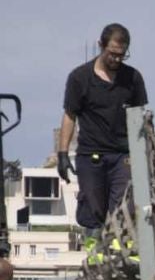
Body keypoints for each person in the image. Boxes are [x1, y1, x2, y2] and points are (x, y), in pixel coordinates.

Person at [58, 24, 149, 261]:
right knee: (93, 205)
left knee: (124, 205)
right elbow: (70, 116)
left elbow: (141, 117)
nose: (116, 59)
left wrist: (144, 155)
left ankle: (124, 252)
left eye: (121, 55)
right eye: (112, 53)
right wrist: (62, 154)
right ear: (101, 46)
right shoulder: (79, 78)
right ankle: (94, 252)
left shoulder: (133, 78)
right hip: (91, 154)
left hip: (123, 154)